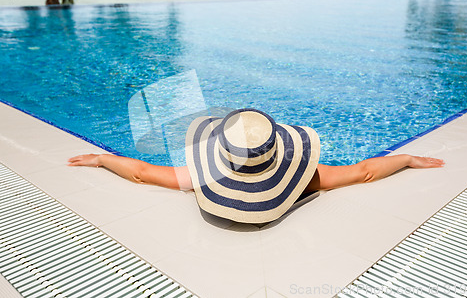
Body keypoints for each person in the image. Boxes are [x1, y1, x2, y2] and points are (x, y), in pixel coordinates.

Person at [68, 108, 444, 223]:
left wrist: (103, 159)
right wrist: (407, 159)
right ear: (278, 149)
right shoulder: (308, 179)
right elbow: (363, 171)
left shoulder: (204, 176)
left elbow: (142, 173)